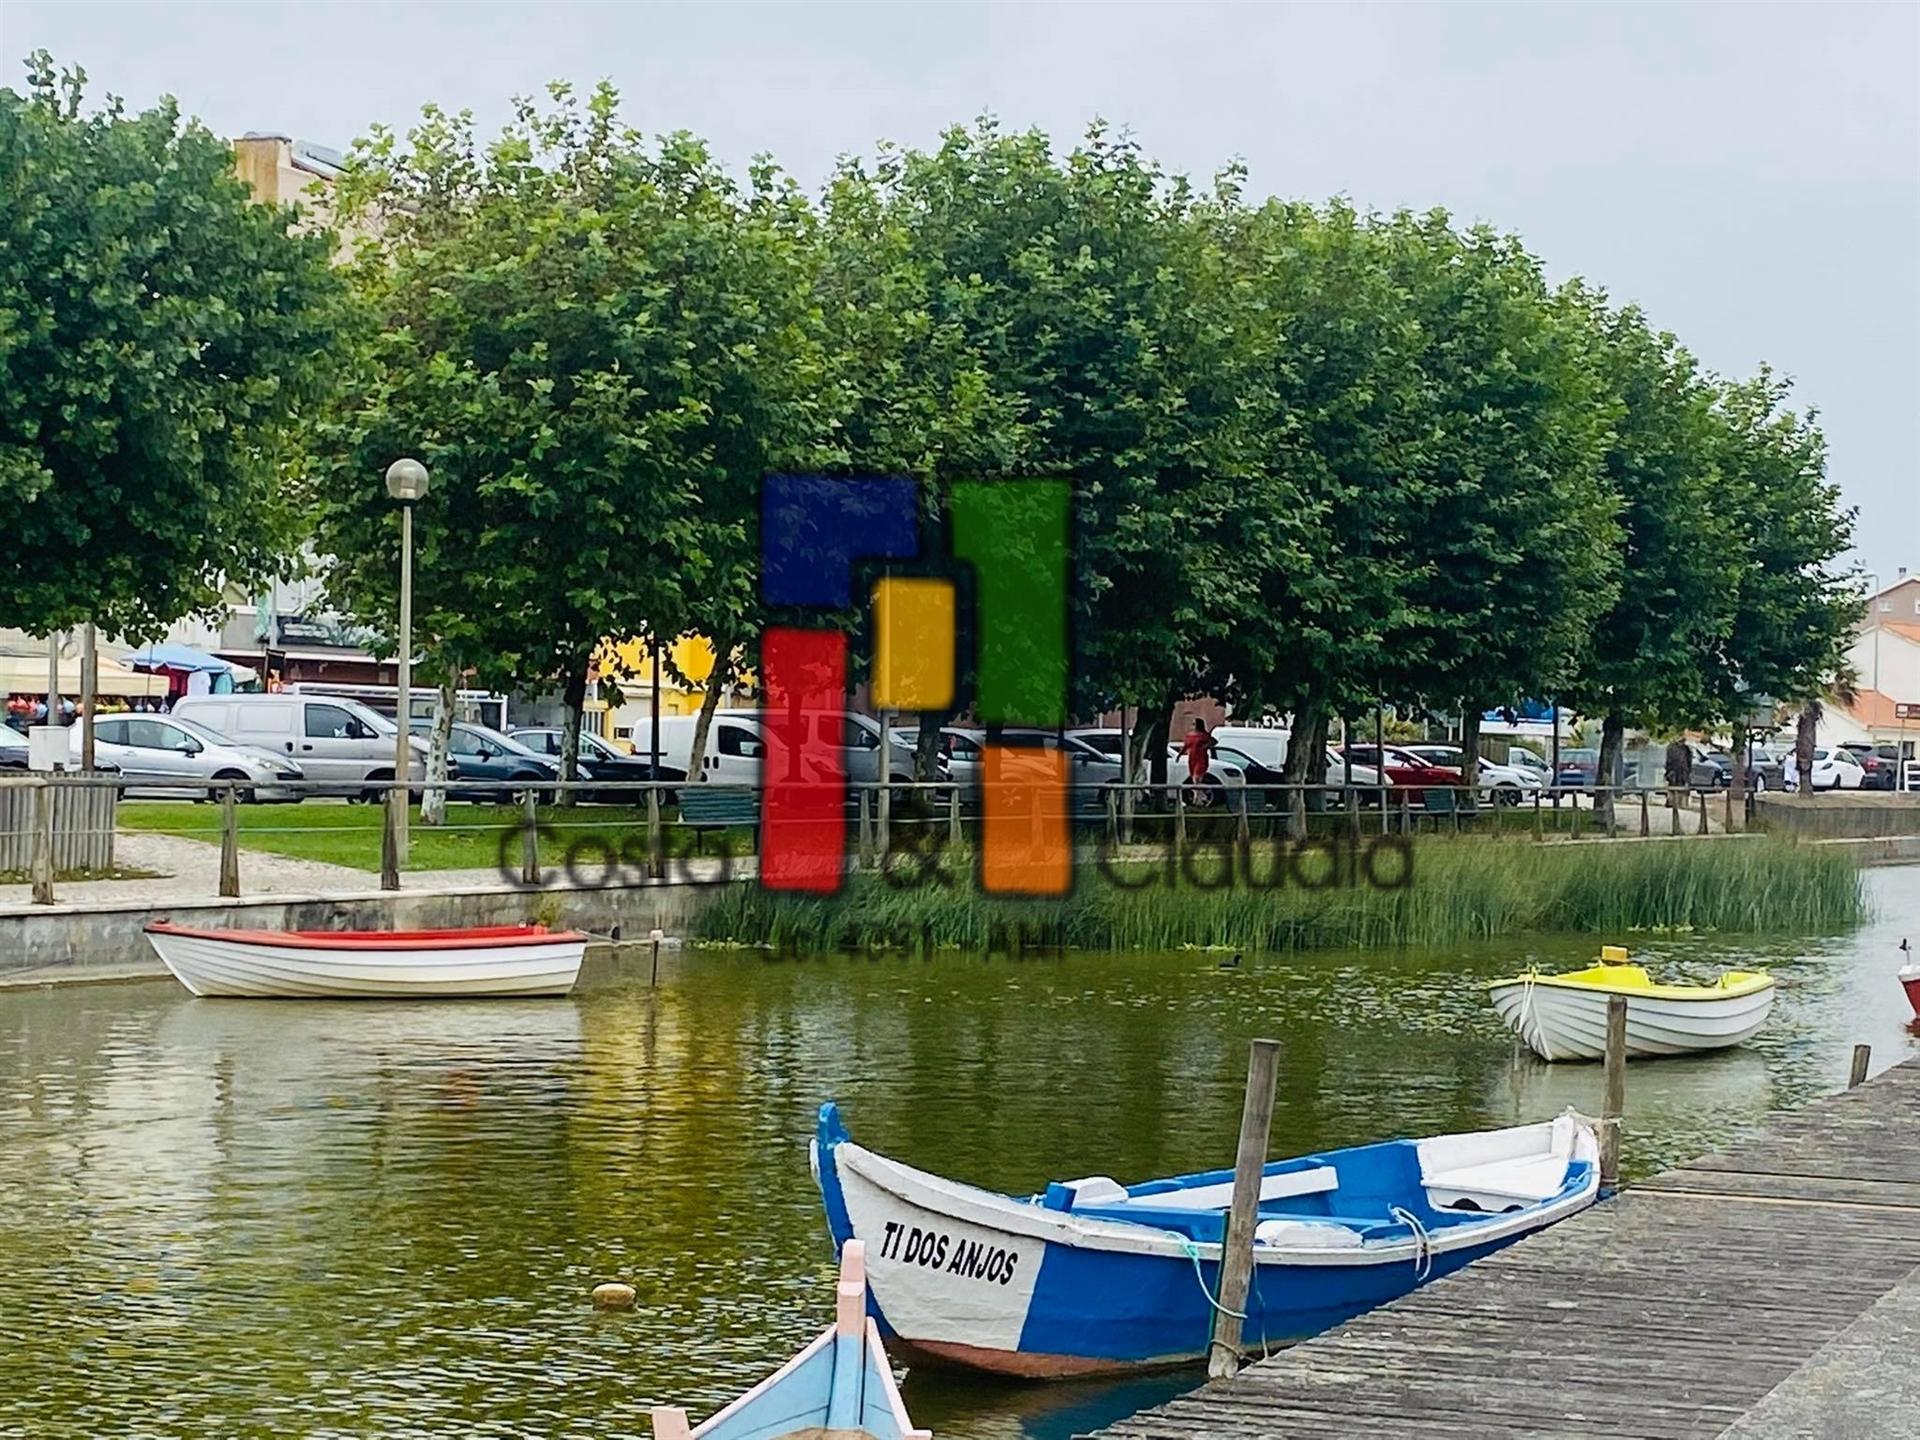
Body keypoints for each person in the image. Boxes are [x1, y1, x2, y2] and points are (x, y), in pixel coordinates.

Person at [1180, 717, 1217, 787]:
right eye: (1192, 724)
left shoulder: (1204, 735)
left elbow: (1214, 741)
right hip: (1192, 759)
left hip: (1201, 758)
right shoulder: (1189, 735)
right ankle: (1200, 795)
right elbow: (1185, 746)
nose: (1193, 726)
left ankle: (1197, 796)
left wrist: (1206, 746)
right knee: (1194, 778)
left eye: (1194, 724)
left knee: (1197, 778)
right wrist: (1179, 755)